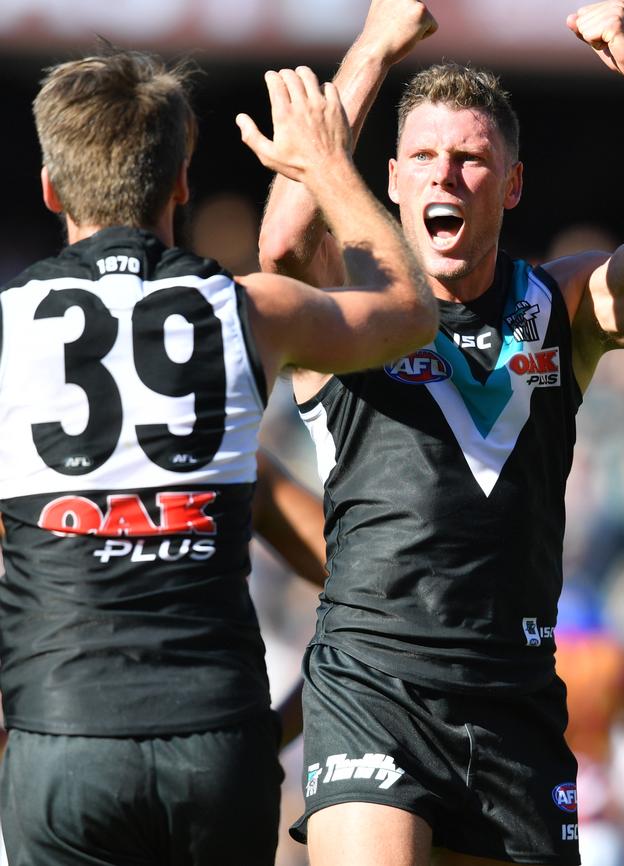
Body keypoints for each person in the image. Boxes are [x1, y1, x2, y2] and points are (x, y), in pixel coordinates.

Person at [0, 48, 438, 866]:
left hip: (64, 734)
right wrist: (328, 168)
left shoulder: (8, 329)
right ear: (182, 182)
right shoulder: (249, 308)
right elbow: (411, 313)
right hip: (217, 737)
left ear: (52, 188)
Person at [258, 0, 624, 864]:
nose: (447, 177)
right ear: (391, 179)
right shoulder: (348, 315)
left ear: (511, 187)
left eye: (473, 160)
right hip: (374, 682)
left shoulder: (563, 304)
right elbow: (284, 248)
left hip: (517, 702)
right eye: (426, 158)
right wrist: (373, 48)